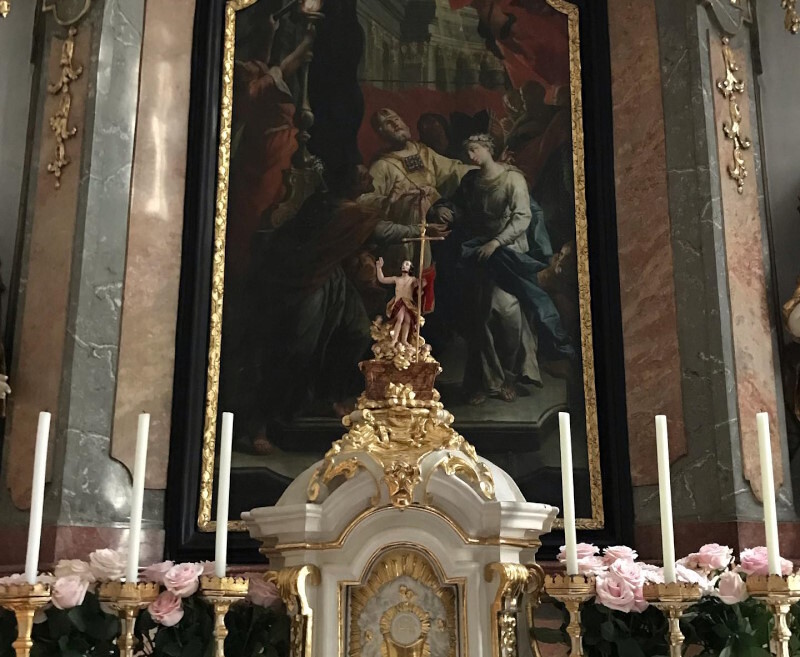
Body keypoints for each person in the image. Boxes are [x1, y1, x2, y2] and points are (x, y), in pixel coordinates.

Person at [434, 134, 573, 403]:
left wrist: (497, 242)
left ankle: (510, 375)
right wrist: (444, 211)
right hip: (478, 254)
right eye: (468, 151)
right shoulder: (471, 180)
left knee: (507, 312)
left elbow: (522, 217)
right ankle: (486, 382)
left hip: (509, 253)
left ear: (488, 148)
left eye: (474, 149)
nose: (471, 156)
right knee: (480, 316)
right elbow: (458, 206)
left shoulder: (512, 179)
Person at [359, 108, 475, 275]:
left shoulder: (424, 152)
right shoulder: (381, 165)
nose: (395, 124)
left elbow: (453, 171)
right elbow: (364, 201)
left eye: (396, 118)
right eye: (388, 123)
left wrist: (487, 168)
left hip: (438, 216)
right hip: (410, 234)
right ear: (381, 133)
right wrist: (391, 200)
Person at [376, 258, 424, 348]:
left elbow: (420, 290)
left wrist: (420, 284)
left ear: (410, 268)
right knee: (400, 319)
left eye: (406, 264)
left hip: (409, 303)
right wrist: (379, 268)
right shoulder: (396, 279)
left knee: (407, 321)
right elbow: (382, 279)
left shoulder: (413, 279)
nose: (404, 266)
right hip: (399, 302)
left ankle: (404, 340)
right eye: (403, 264)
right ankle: (394, 340)